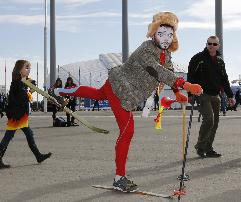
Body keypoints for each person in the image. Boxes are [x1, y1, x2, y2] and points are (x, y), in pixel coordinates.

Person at [54, 12, 203, 192]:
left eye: (170, 35)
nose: (166, 38)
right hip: (121, 89)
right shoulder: (146, 49)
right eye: (161, 33)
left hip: (119, 87)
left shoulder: (166, 54)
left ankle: (60, 90)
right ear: (153, 33)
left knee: (98, 94)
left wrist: (177, 91)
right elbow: (157, 70)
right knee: (127, 130)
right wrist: (185, 84)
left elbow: (168, 71)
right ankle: (119, 177)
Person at [187, 35, 235, 158]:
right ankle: (200, 145)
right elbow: (190, 77)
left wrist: (230, 95)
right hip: (202, 94)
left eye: (214, 44)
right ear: (206, 44)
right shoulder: (198, 58)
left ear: (218, 45)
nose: (211, 46)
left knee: (215, 123)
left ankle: (208, 148)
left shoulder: (219, 61)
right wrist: (190, 94)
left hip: (216, 95)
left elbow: (225, 79)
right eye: (209, 43)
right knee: (209, 120)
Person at [0, 60, 52, 169]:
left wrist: (29, 82)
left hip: (21, 116)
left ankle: (38, 156)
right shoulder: (17, 83)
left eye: (29, 68)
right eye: (26, 68)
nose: (29, 70)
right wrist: (30, 92)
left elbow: (30, 82)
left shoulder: (21, 81)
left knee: (29, 134)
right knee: (8, 137)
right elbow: (21, 99)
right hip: (17, 116)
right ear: (19, 70)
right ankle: (38, 156)